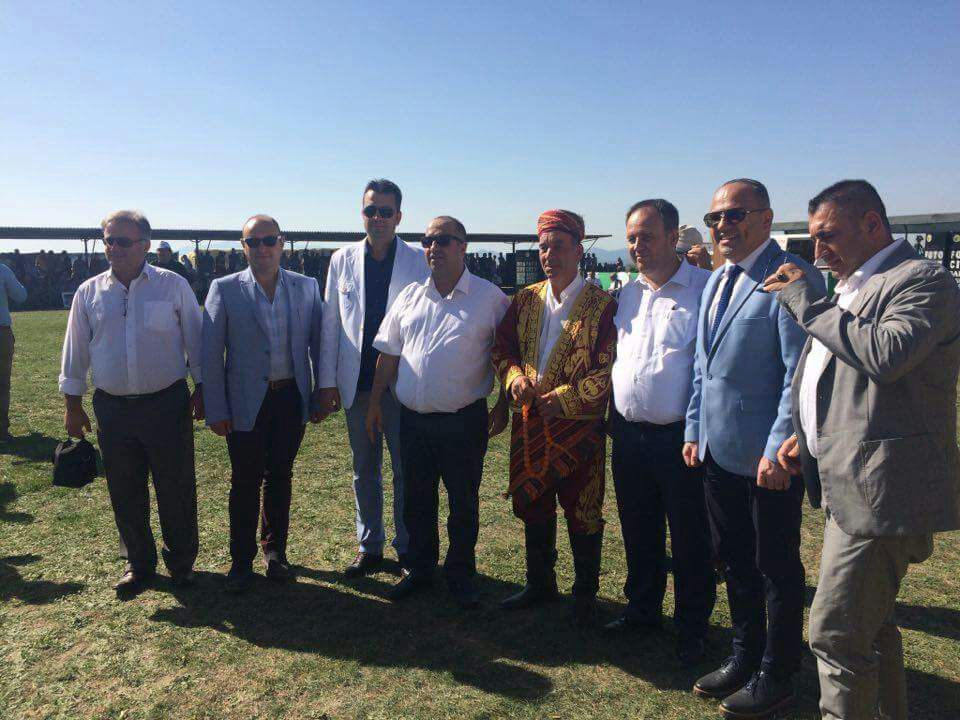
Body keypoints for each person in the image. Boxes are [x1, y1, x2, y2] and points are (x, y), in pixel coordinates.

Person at [764, 180, 960, 720]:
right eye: (814, 238)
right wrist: (807, 436)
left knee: (836, 634)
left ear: (872, 224)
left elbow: (886, 353)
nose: (818, 251)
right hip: (848, 481)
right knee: (871, 627)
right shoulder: (854, 284)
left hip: (881, 490)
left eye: (828, 236)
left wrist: (808, 304)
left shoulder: (923, 280)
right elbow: (839, 378)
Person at [683, 179, 823, 718]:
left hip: (769, 458)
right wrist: (694, 429)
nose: (723, 225)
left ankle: (777, 671)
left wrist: (777, 448)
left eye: (735, 214)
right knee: (733, 557)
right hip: (718, 450)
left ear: (766, 219)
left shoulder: (791, 276)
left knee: (775, 566)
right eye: (715, 217)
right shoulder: (718, 279)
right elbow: (704, 366)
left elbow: (798, 372)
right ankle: (744, 653)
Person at [364, 216, 510, 607]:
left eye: (443, 240)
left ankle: (460, 574)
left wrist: (503, 404)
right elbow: (388, 354)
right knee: (416, 500)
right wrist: (375, 402)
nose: (434, 248)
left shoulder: (490, 298)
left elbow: (508, 356)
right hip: (412, 420)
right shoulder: (409, 296)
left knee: (463, 502)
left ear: (463, 246)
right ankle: (420, 568)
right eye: (427, 240)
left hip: (464, 421)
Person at [59, 210, 203, 597]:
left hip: (166, 404)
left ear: (145, 245)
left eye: (123, 241)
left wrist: (203, 387)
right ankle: (138, 564)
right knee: (124, 489)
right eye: (108, 240)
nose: (114, 248)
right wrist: (73, 404)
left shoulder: (172, 285)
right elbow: (75, 351)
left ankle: (182, 563)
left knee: (176, 487)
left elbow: (196, 340)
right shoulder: (88, 292)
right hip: (113, 408)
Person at [491, 209, 617, 625]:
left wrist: (566, 398)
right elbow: (503, 348)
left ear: (579, 251)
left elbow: (609, 368)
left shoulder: (602, 305)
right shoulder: (525, 299)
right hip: (531, 424)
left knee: (583, 509)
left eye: (558, 246)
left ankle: (585, 594)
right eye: (543, 247)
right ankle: (540, 583)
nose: (549, 255)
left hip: (578, 429)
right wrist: (513, 378)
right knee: (534, 503)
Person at [606, 199, 716, 664]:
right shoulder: (628, 293)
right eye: (632, 238)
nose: (637, 246)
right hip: (629, 434)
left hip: (680, 438)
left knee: (690, 536)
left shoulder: (704, 289)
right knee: (638, 527)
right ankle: (642, 609)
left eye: (647, 237)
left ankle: (692, 626)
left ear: (673, 237)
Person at [202, 215, 324, 593]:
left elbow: (320, 344)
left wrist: (322, 391)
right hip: (244, 402)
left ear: (281, 243)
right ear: (243, 247)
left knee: (280, 476)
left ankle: (275, 553)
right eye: (253, 242)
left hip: (290, 397)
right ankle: (241, 561)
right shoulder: (224, 289)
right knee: (245, 481)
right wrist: (216, 408)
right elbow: (210, 355)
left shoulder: (306, 287)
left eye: (269, 240)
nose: (262, 248)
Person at [319, 179, 429, 577]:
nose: (377, 218)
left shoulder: (419, 259)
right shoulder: (342, 259)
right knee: (364, 469)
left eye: (385, 212)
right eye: (371, 211)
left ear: (399, 217)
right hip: (357, 384)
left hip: (402, 384)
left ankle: (407, 547)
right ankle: (369, 546)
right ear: (361, 213)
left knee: (404, 470)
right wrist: (326, 382)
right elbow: (331, 322)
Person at [0, 257, 27, 440]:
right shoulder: (2, 270)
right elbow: (21, 295)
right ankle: (1, 429)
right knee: (2, 383)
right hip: (1, 332)